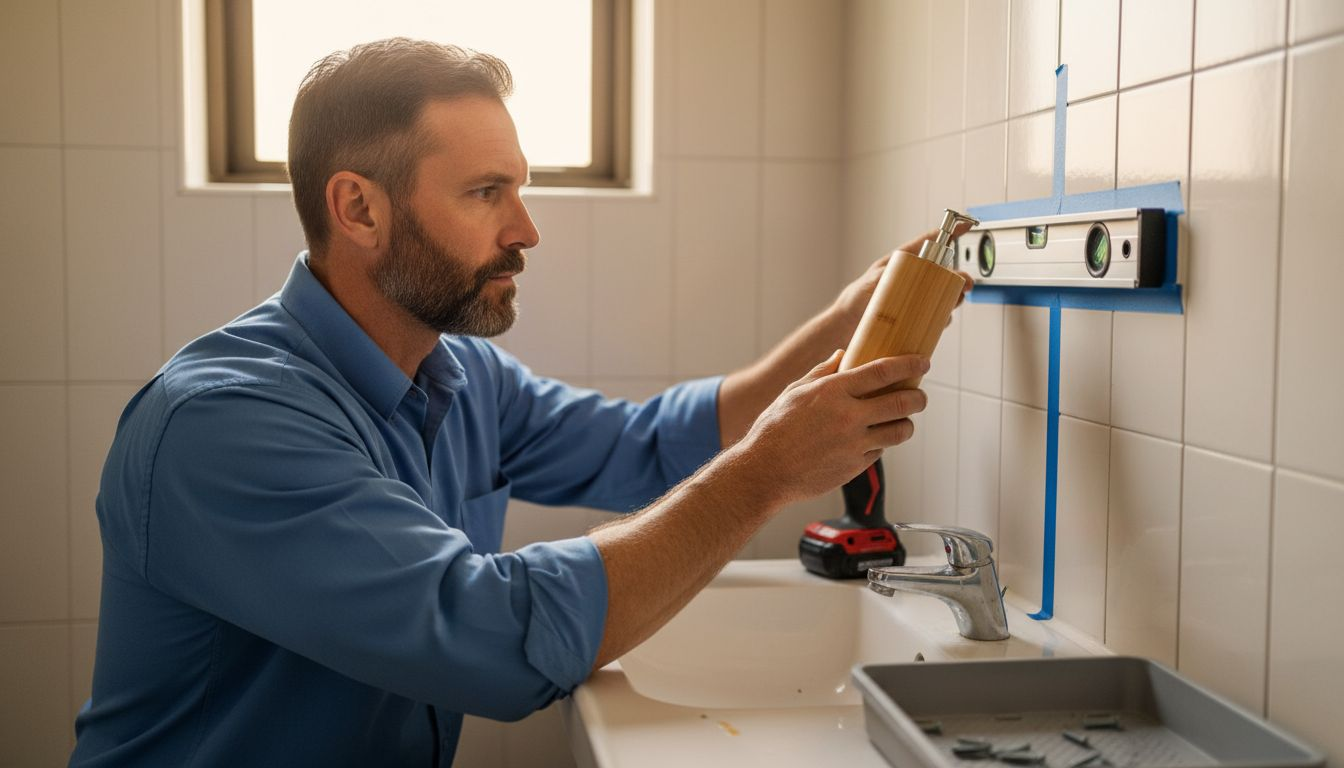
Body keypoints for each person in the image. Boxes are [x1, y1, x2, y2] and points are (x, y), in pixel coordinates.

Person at [69, 38, 970, 767]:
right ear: (359, 209)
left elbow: (652, 448)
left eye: (519, 188)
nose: (526, 230)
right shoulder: (224, 424)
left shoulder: (461, 375)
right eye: (485, 193)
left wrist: (848, 323)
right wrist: (768, 472)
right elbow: (492, 641)